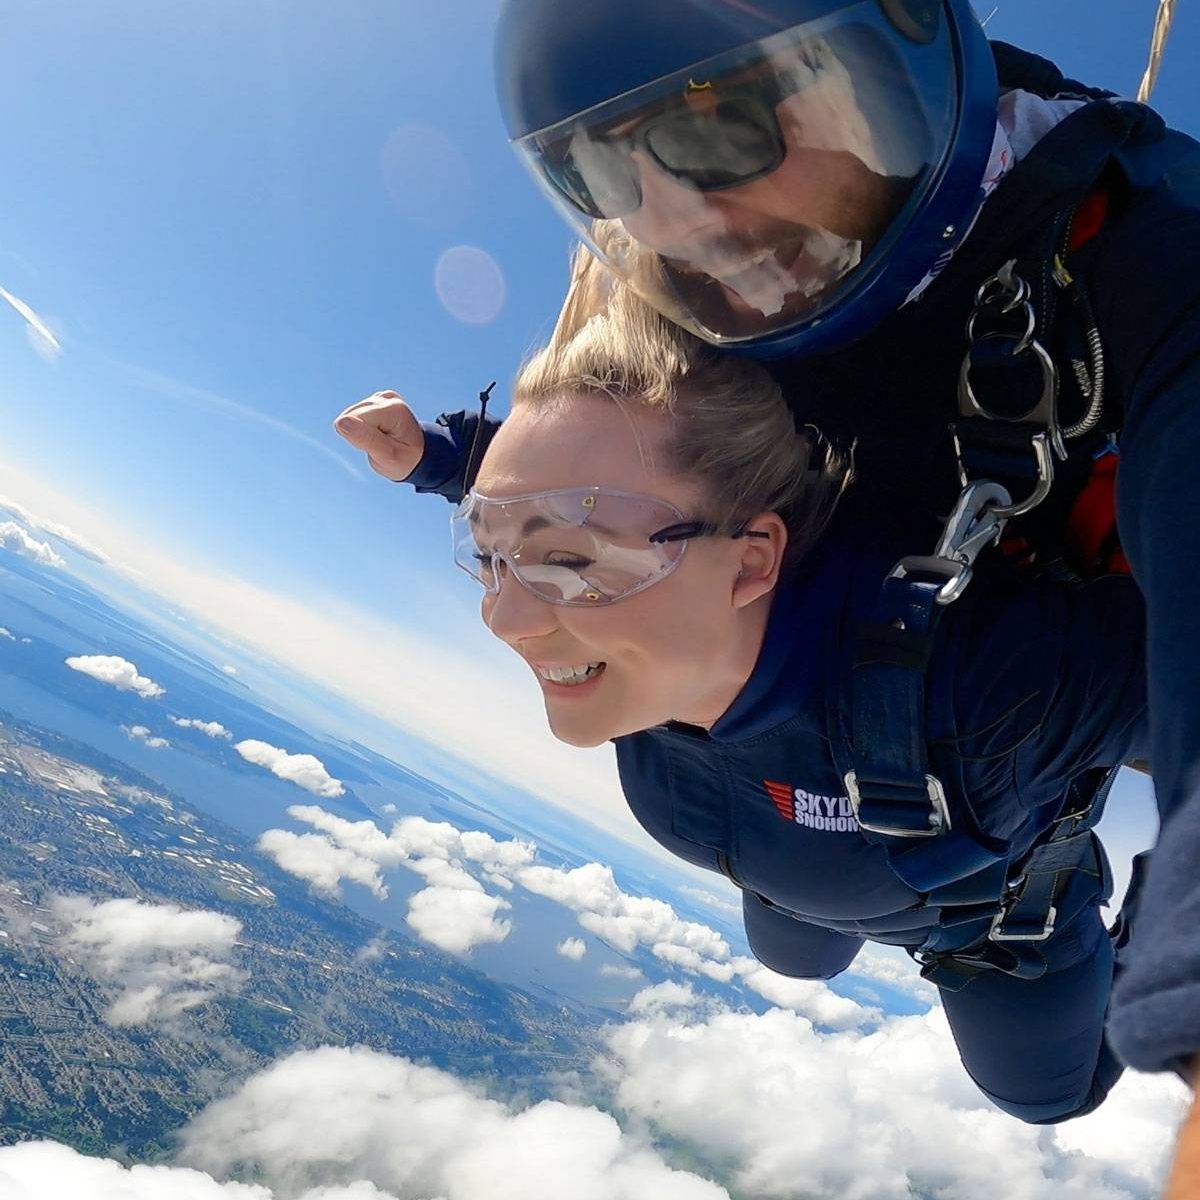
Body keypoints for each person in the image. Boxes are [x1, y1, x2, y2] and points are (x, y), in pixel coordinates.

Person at [338, 0, 1200, 1123]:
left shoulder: (1153, 254)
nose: (673, 222)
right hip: (776, 792)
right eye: (602, 175)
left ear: (897, 44)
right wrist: (454, 462)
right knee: (797, 941)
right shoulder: (705, 278)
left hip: (971, 822)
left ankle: (1063, 894)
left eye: (710, 127)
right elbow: (627, 480)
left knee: (1048, 1093)